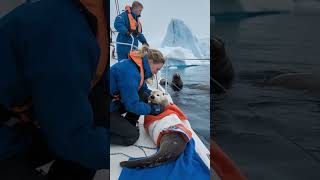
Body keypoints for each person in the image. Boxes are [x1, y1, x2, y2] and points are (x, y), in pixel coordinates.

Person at [0, 0, 109, 179]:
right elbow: (70, 137)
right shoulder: (64, 31)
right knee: (82, 140)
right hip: (8, 129)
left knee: (98, 116)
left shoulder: (90, 16)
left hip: (25, 112)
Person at [110, 46, 165, 145]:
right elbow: (131, 105)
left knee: (143, 95)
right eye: (157, 69)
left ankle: (128, 123)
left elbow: (143, 89)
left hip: (113, 103)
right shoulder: (130, 73)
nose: (157, 73)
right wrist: (152, 109)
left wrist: (155, 97)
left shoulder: (137, 68)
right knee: (132, 136)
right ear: (151, 62)